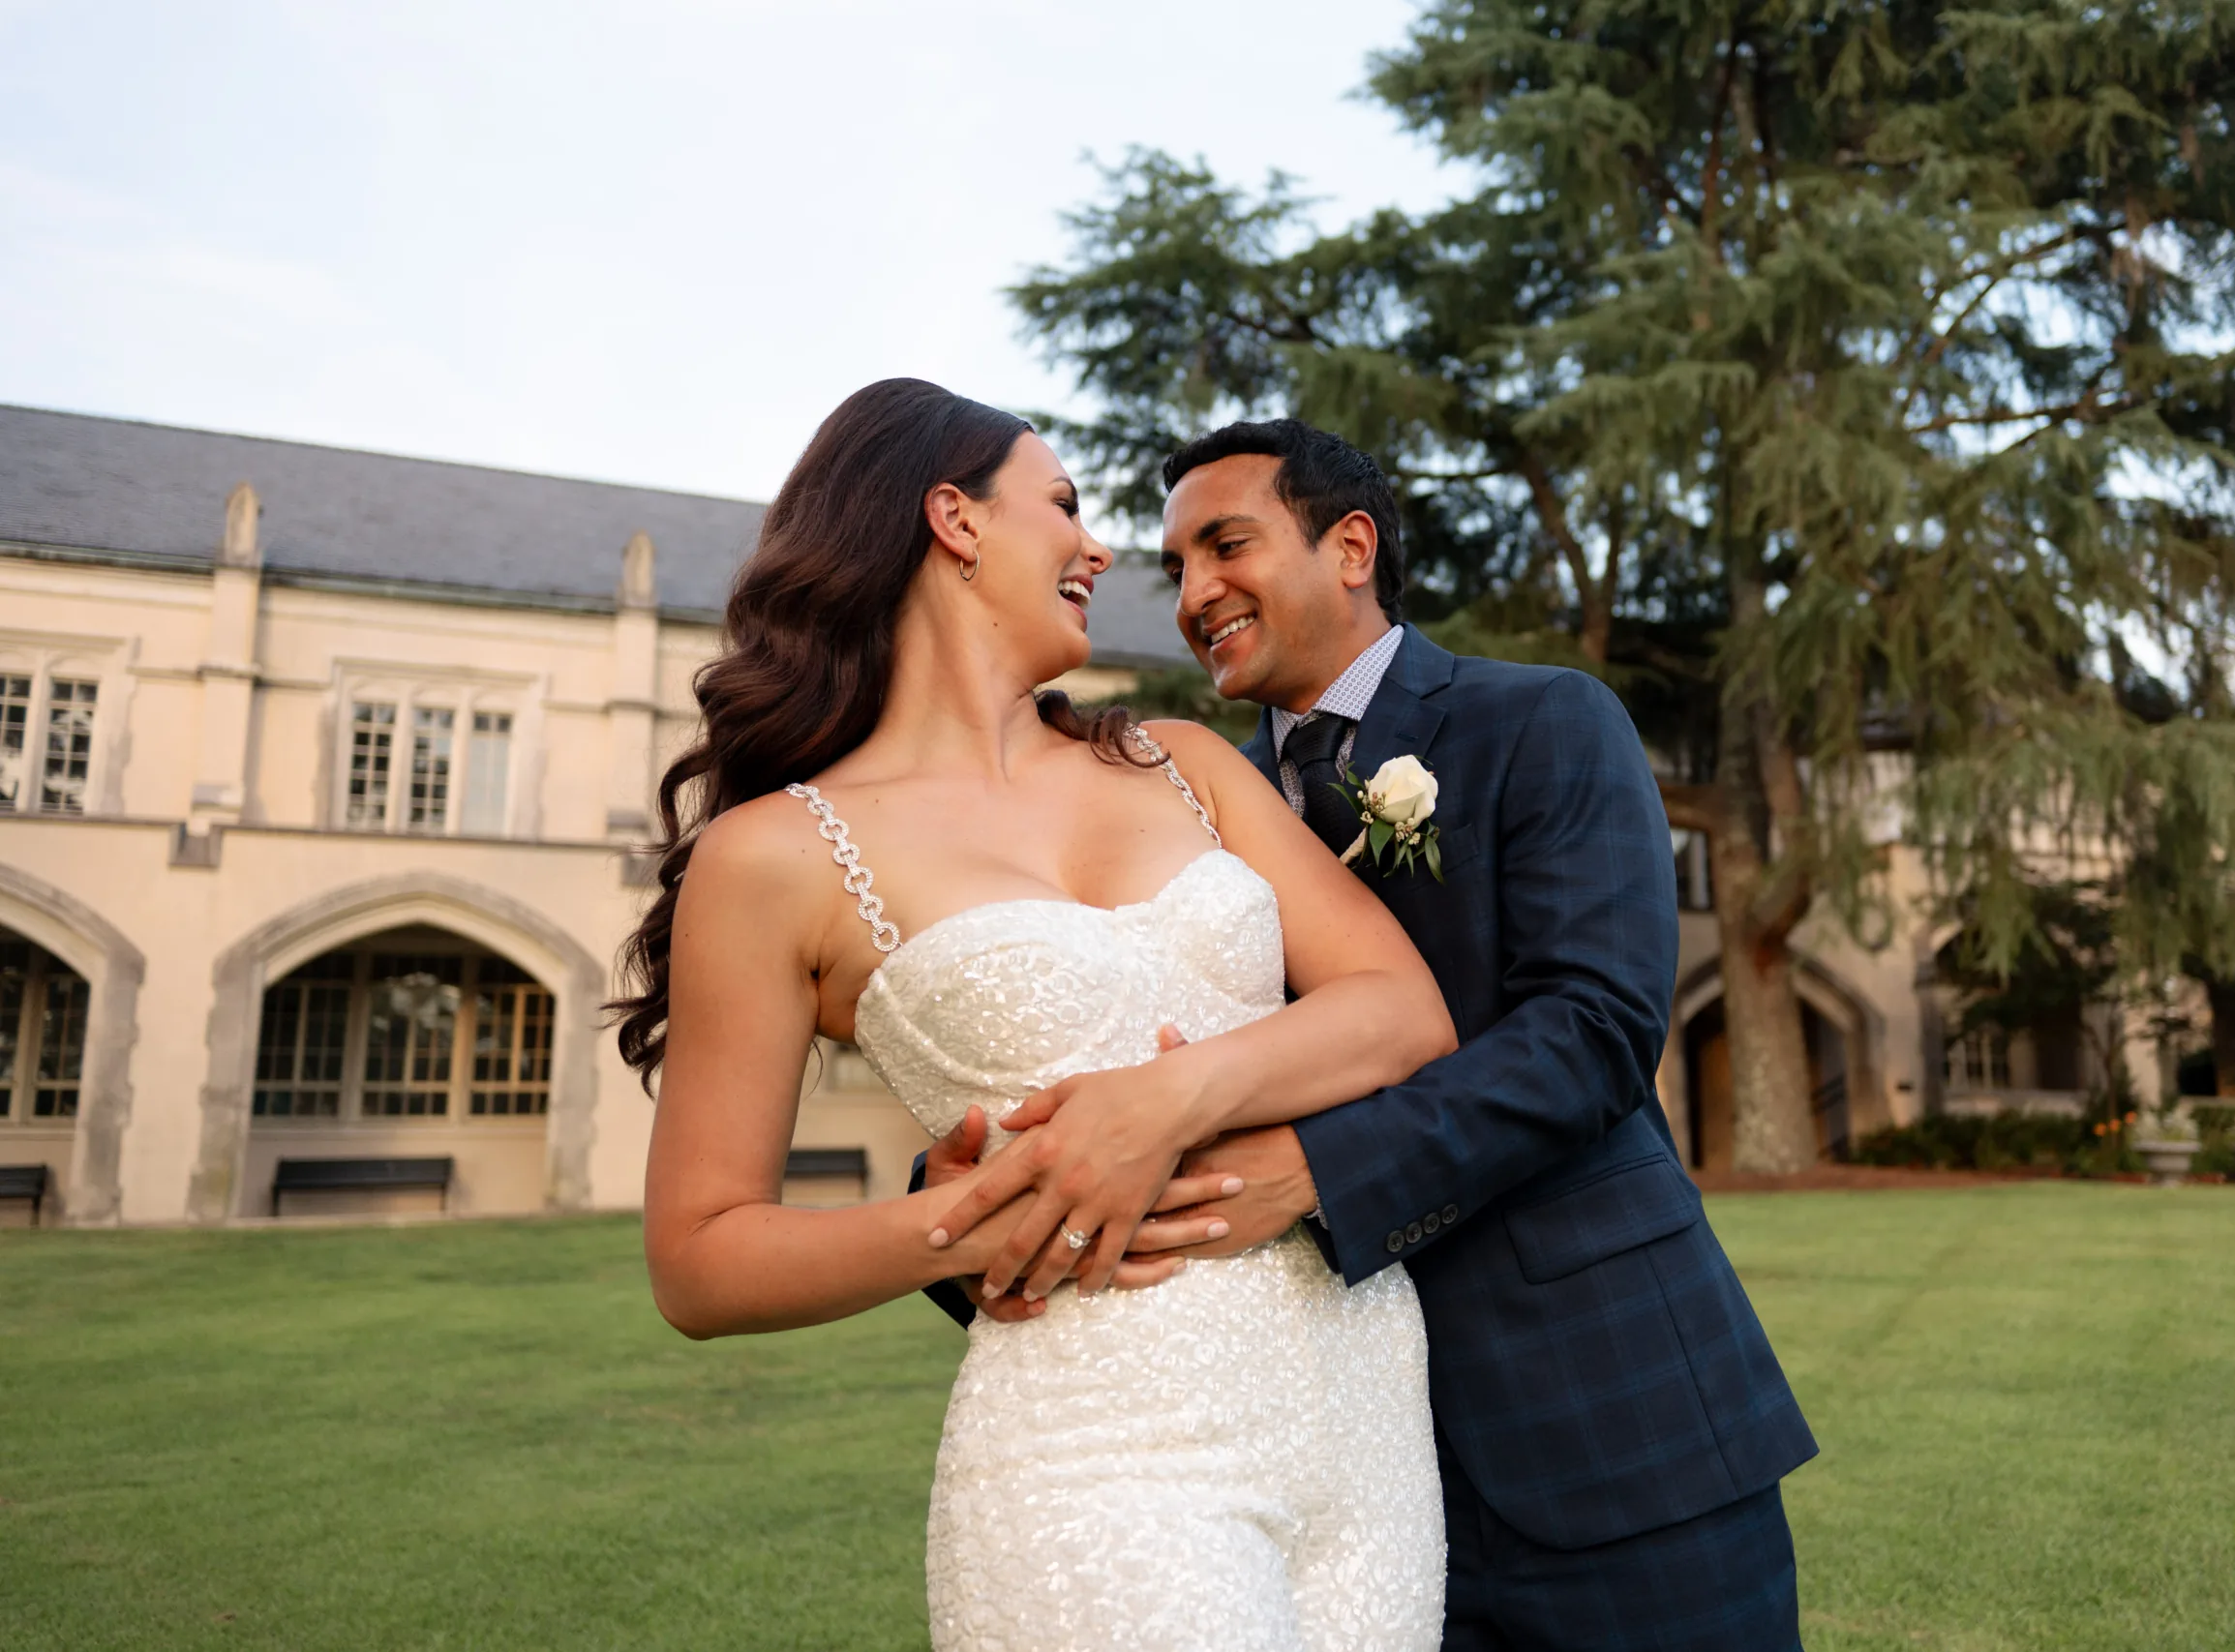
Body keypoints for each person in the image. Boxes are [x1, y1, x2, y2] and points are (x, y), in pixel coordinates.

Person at [926, 420, 1819, 1650]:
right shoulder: (1175, 804)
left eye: (1225, 545)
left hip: (1607, 1427)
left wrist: (1312, 1173)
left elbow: (1594, 1031)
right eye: (1176, 565)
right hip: (1315, 1476)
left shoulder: (1547, 722)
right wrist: (974, 1201)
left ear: (1351, 546)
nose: (1193, 594)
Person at [613, 379, 1459, 1651]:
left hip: (1365, 1411)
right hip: (1098, 1446)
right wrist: (963, 1220)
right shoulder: (775, 854)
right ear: (953, 518)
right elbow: (699, 1256)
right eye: (1061, 505)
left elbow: (1400, 1008)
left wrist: (1164, 1098)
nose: (1099, 546)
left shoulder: (1183, 757)